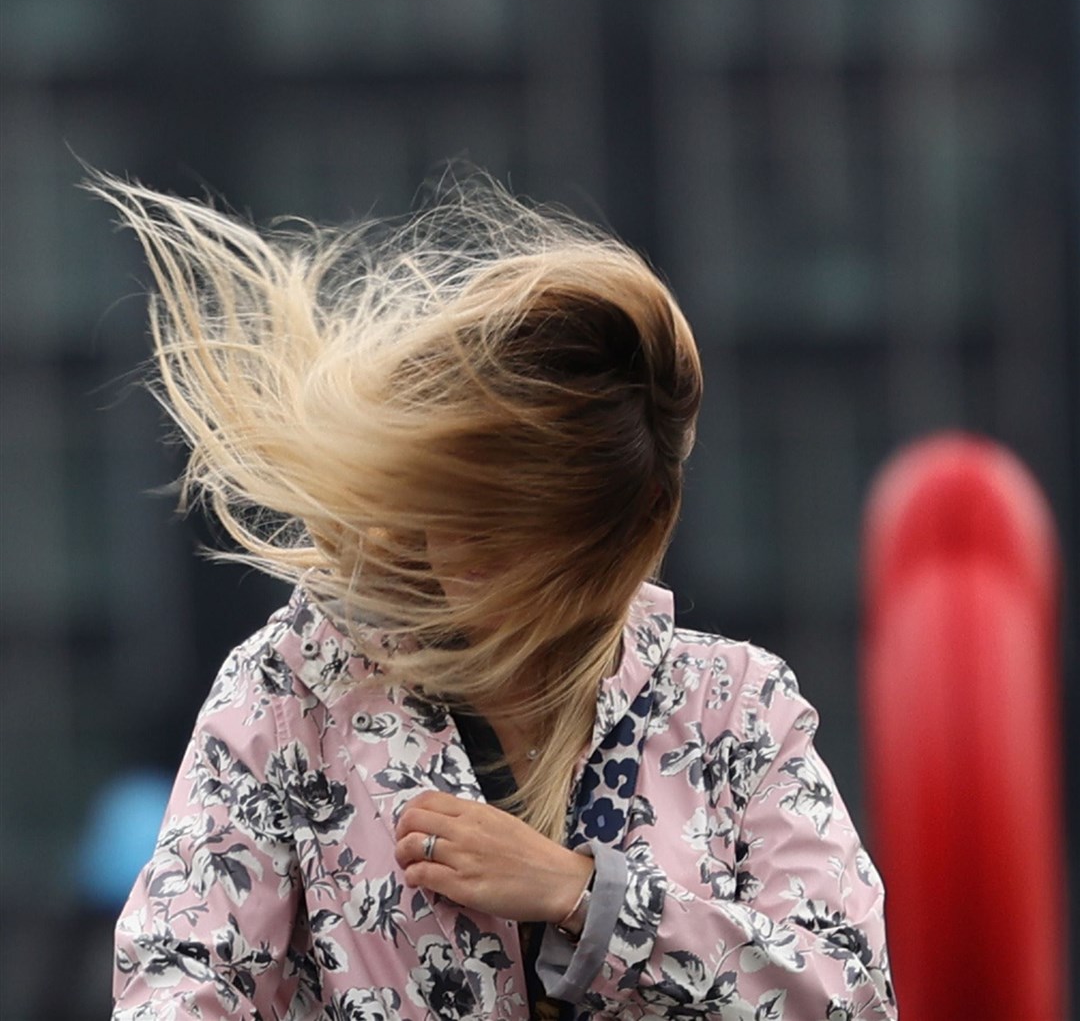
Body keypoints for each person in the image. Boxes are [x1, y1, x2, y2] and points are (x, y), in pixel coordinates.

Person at [93, 172, 896, 1021]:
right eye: (458, 503)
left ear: (622, 534)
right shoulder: (296, 689)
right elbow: (176, 981)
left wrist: (586, 899)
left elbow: (850, 994)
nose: (470, 549)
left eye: (520, 522)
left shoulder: (738, 711)